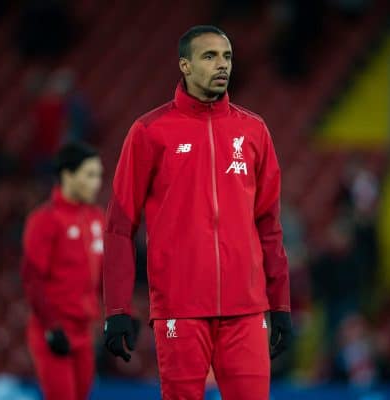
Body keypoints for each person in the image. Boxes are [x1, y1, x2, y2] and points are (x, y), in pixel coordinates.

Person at [102, 25, 292, 399]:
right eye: (210, 56)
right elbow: (119, 228)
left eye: (227, 57)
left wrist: (280, 303)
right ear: (185, 66)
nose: (222, 65)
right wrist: (117, 308)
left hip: (246, 310)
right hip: (180, 309)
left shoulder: (254, 131)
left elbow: (268, 226)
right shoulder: (149, 132)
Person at [21, 142, 104, 400]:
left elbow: (106, 276)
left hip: (83, 331)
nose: (97, 183)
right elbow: (33, 280)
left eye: (99, 175)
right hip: (54, 332)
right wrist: (51, 326)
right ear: (68, 176)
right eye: (89, 175)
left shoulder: (97, 219)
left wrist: (124, 312)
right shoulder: (45, 221)